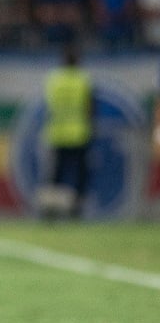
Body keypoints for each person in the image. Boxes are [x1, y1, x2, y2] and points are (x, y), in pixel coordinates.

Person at [39, 45, 93, 218]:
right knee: (79, 175)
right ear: (77, 61)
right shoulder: (82, 80)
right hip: (78, 134)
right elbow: (89, 108)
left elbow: (48, 106)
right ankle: (76, 211)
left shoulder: (54, 80)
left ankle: (50, 211)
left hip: (57, 133)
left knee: (56, 175)